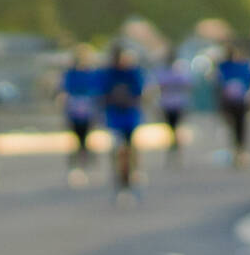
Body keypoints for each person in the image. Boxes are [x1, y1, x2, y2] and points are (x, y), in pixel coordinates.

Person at [100, 42, 146, 199]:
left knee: (130, 146)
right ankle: (120, 177)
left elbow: (139, 92)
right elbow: (101, 93)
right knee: (118, 148)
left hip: (129, 115)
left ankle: (132, 172)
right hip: (115, 115)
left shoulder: (132, 72)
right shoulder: (108, 73)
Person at [59, 46, 101, 184]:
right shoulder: (71, 74)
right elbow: (65, 90)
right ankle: (77, 165)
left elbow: (97, 91)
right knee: (76, 137)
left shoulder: (91, 74)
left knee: (85, 137)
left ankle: (84, 163)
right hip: (75, 108)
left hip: (88, 108)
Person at [215, 44, 250, 167]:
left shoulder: (240, 67)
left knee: (240, 126)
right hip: (230, 101)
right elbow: (219, 84)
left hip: (240, 101)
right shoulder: (225, 67)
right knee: (235, 126)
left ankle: (240, 150)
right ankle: (237, 149)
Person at [155, 49, 193, 167]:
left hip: (177, 104)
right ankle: (173, 150)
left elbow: (188, 85)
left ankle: (175, 151)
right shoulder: (164, 71)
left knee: (175, 128)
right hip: (168, 104)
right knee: (171, 129)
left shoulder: (179, 70)